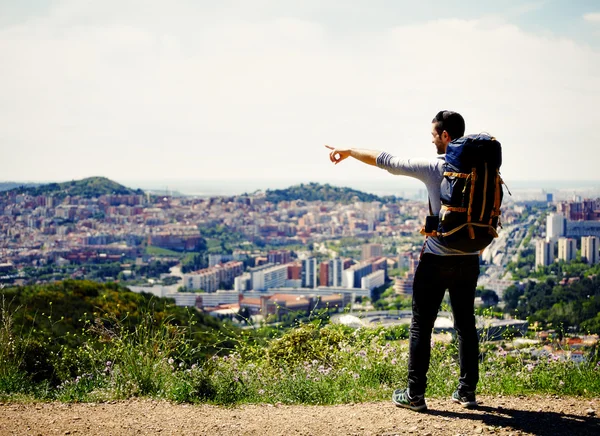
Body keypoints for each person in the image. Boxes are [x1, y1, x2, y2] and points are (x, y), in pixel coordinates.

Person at [325, 110, 480, 412]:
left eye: (434, 135)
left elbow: (387, 161)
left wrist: (348, 151)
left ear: (445, 136)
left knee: (421, 326)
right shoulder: (482, 168)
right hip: (470, 259)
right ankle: (466, 392)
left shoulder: (436, 167)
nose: (432, 140)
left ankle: (415, 395)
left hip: (436, 258)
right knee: (465, 325)